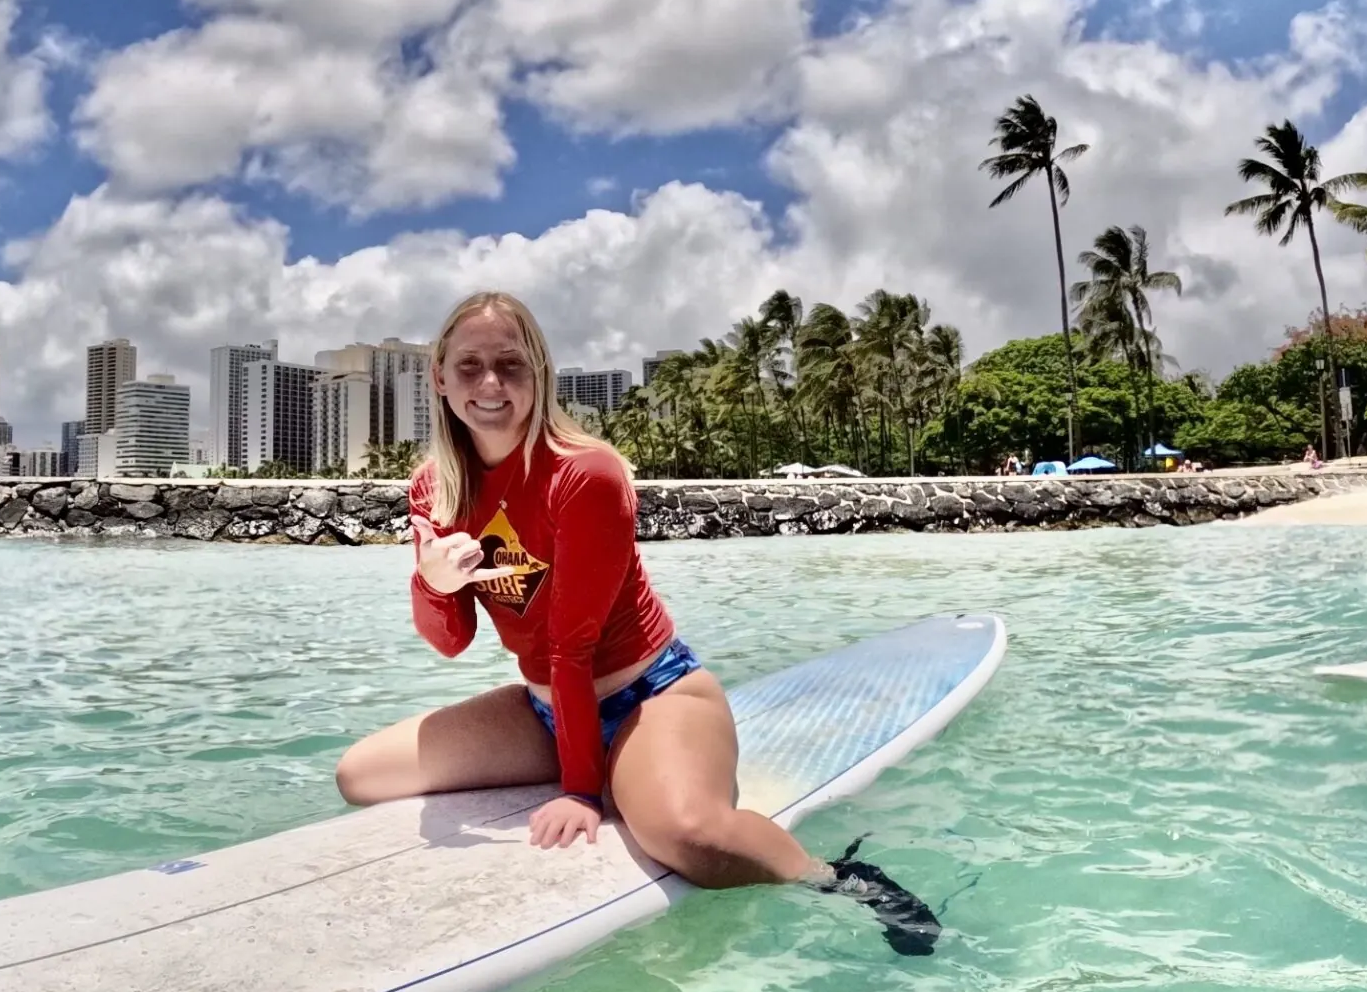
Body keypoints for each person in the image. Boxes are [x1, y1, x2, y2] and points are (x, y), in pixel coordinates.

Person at [333, 290, 940, 951]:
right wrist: (432, 581)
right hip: (545, 708)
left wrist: (581, 794)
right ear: (440, 377)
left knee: (690, 837)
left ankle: (839, 877)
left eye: (511, 363)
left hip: (651, 695)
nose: (490, 383)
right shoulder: (435, 485)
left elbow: (574, 645)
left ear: (540, 372)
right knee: (361, 774)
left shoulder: (586, 474)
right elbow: (451, 640)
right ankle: (623, 772)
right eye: (471, 364)